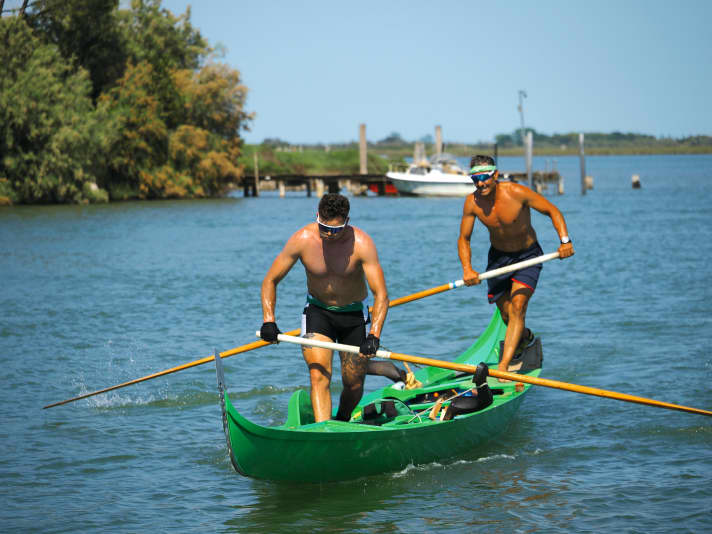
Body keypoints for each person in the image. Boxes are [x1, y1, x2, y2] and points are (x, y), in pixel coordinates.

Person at [260, 193, 399, 422]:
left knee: (353, 383)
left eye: (335, 230)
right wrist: (269, 320)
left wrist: (374, 335)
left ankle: (342, 420)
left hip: (354, 315)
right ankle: (323, 429)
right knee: (319, 375)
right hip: (318, 313)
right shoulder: (302, 239)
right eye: (324, 227)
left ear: (347, 221)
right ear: (317, 217)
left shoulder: (362, 244)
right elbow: (270, 281)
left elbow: (381, 294)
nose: (328, 234)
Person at [458, 155, 574, 379]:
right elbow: (464, 239)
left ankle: (503, 366)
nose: (480, 183)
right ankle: (525, 336)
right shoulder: (472, 203)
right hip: (499, 260)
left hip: (527, 256)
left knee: (518, 307)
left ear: (496, 175)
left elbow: (553, 211)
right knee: (506, 314)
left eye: (484, 177)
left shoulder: (517, 192)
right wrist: (467, 269)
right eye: (475, 179)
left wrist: (565, 241)